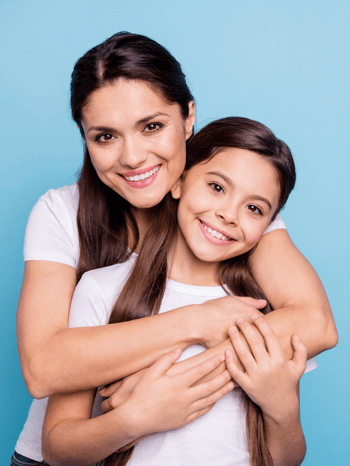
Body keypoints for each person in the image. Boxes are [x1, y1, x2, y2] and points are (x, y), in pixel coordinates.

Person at [13, 32, 337, 465]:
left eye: (152, 126)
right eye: (105, 137)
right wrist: (198, 323)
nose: (132, 157)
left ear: (188, 118)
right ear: (85, 138)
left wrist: (177, 382)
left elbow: (316, 323)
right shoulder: (62, 214)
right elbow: (43, 367)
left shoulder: (228, 209)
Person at [43, 117, 314, 466]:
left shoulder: (265, 310)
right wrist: (135, 419)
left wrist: (284, 410)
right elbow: (56, 447)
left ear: (269, 226)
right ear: (178, 183)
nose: (229, 214)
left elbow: (285, 459)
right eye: (217, 187)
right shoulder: (101, 290)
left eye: (254, 208)